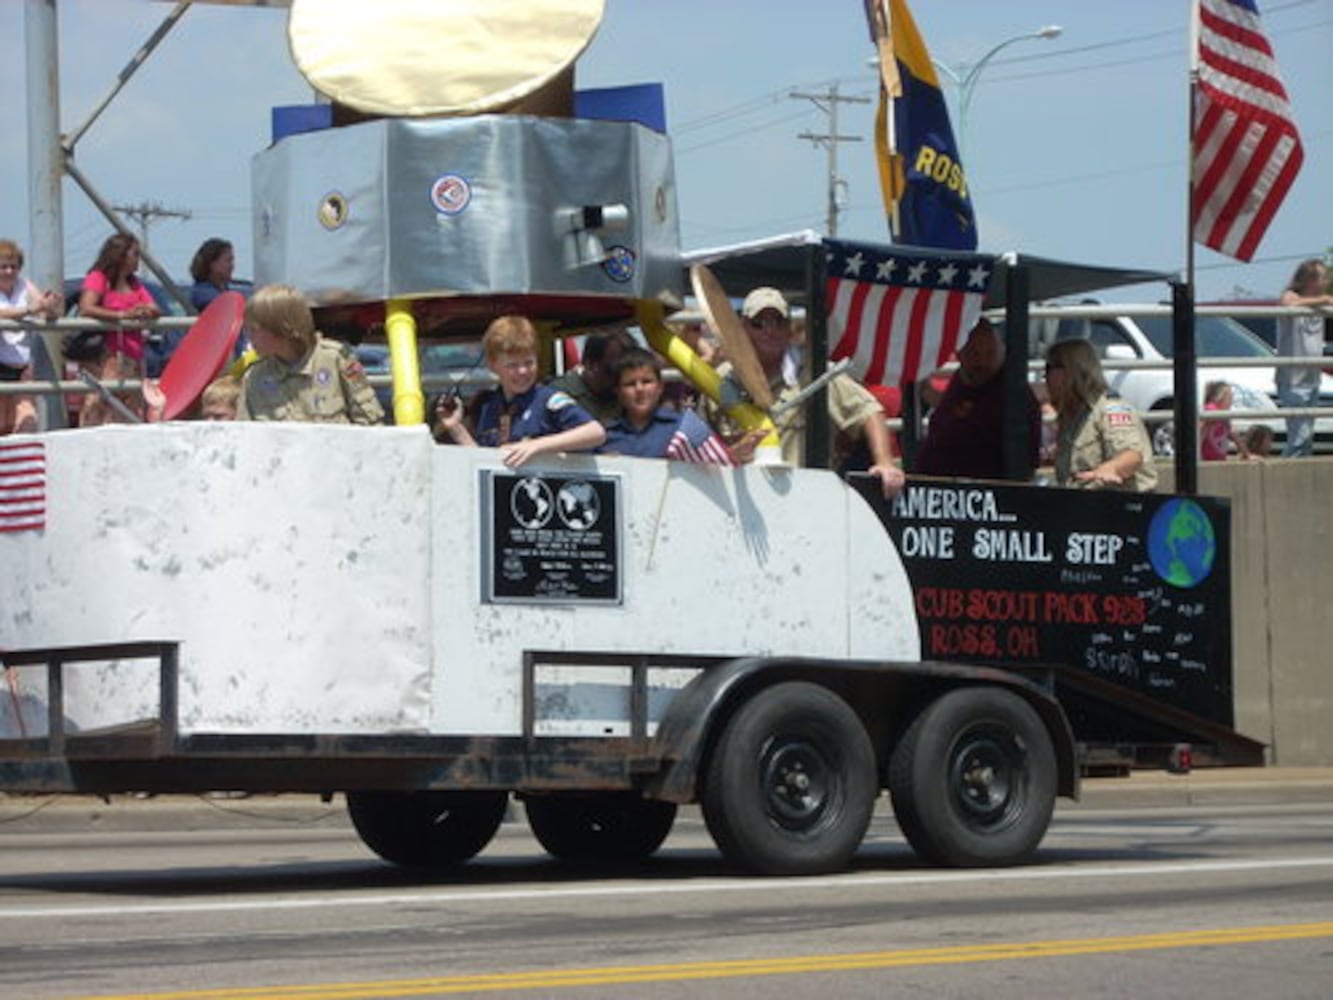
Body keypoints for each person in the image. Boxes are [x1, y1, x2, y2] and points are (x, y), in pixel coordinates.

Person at [703, 286, 904, 497]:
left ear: (789, 328)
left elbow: (868, 411)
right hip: (740, 500)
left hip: (806, 499)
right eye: (759, 323)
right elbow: (700, 446)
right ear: (743, 328)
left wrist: (885, 463)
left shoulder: (815, 373)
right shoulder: (722, 380)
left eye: (778, 322)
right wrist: (730, 455)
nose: (769, 331)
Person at [435, 314, 605, 467]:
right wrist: (455, 427)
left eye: (529, 363)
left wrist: (536, 446)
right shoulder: (487, 406)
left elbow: (595, 432)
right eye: (512, 365)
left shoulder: (548, 400)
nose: (523, 371)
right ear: (493, 366)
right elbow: (483, 462)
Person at [913, 318, 1041, 481]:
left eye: (990, 353)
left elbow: (1026, 465)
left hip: (981, 493)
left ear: (1002, 352)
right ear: (959, 353)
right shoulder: (964, 378)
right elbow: (957, 409)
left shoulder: (1014, 393)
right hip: (936, 488)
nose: (982, 362)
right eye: (974, 353)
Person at [236, 283, 384, 424]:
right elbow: (244, 435)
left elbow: (370, 423)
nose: (250, 337)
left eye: (254, 329)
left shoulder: (335, 361)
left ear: (281, 327)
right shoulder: (255, 377)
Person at [1044, 337, 1157, 492]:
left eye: (1049, 368)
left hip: (1122, 507)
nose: (1045, 377)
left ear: (1069, 371)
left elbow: (1132, 456)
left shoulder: (1110, 408)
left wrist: (1110, 468)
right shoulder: (1073, 415)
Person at [75, 233, 162, 426]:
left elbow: (155, 307)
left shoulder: (134, 283)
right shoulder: (98, 278)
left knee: (129, 410)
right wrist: (122, 316)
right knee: (101, 406)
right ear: (120, 255)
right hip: (107, 356)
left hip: (133, 356)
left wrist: (143, 310)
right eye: (135, 254)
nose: (138, 259)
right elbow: (86, 307)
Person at [601, 347, 734, 464]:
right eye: (630, 384)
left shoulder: (684, 429)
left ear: (660, 387)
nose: (639, 389)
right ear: (617, 391)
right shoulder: (604, 436)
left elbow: (718, 462)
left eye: (647, 381)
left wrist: (737, 454)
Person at [0, 239, 60, 435]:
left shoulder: (24, 285)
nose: (9, 271)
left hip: (22, 369)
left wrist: (50, 307)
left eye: (13, 266)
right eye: (3, 266)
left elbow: (41, 307)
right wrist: (29, 309)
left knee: (27, 423)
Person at [1274, 258, 1333, 458]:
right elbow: (1286, 304)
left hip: (1312, 378)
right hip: (1292, 379)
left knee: (1306, 438)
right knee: (1300, 436)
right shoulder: (1291, 296)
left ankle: (1294, 474)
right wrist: (1322, 301)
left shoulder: (1321, 306)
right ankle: (1283, 473)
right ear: (1309, 279)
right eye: (1321, 278)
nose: (1325, 282)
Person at [547, 329, 636, 424]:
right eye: (614, 372)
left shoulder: (630, 393)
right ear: (590, 364)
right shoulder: (558, 394)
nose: (621, 380)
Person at [1200, 381, 1252, 461]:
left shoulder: (1223, 414)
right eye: (1229, 397)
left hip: (1218, 458)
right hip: (1207, 459)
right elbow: (1201, 431)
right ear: (1219, 397)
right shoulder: (1212, 410)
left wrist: (1247, 455)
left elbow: (1234, 435)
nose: (1231, 401)